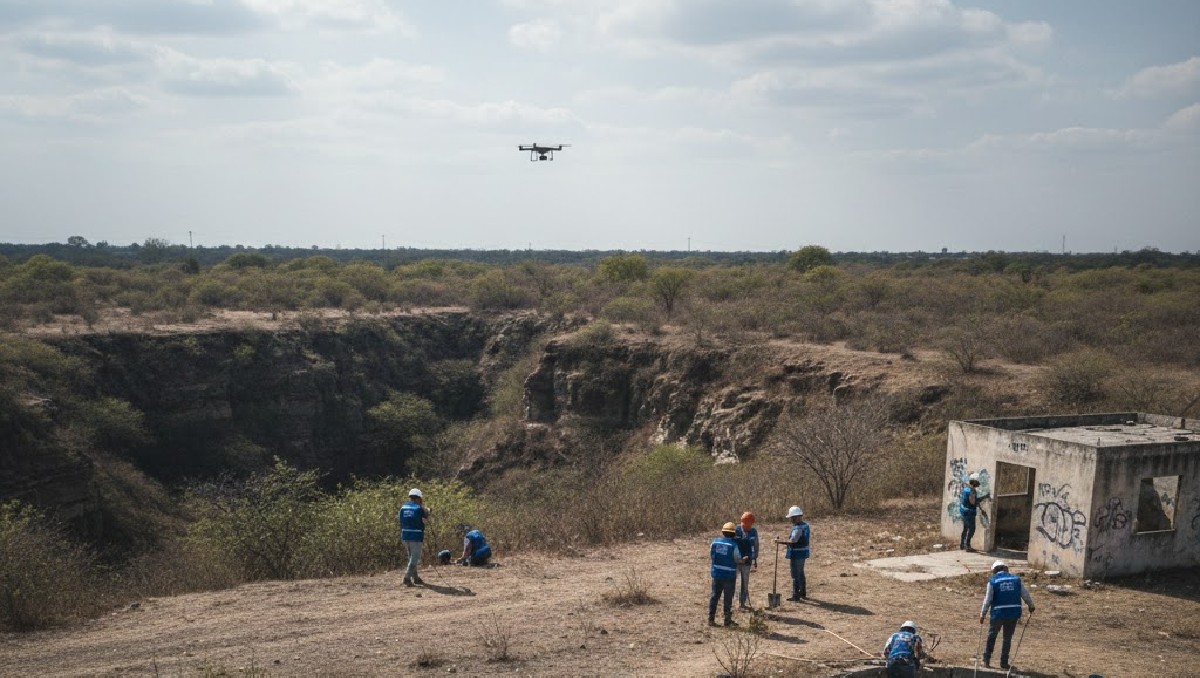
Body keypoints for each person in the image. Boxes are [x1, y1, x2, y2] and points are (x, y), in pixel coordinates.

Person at [979, 560, 1035, 670]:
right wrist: (1031, 605)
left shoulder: (993, 581)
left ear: (995, 570)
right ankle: (1004, 663)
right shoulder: (1016, 580)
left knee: (992, 635)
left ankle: (986, 660)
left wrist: (983, 613)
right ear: (1005, 568)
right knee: (1007, 638)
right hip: (1013, 613)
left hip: (998, 613)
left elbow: (988, 599)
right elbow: (1025, 594)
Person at [708, 521, 742, 627]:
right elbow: (737, 559)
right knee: (728, 598)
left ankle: (711, 619)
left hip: (717, 574)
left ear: (723, 532)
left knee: (714, 596)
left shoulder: (714, 542)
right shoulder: (733, 545)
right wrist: (743, 560)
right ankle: (727, 620)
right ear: (733, 534)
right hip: (729, 576)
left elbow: (712, 555)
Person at [775, 505, 810, 601]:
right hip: (802, 553)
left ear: (796, 517)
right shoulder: (805, 526)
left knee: (795, 574)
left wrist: (779, 542)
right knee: (800, 572)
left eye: (792, 518)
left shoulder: (798, 528)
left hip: (797, 553)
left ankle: (796, 595)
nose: (791, 520)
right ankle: (802, 592)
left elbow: (793, 541)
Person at [397, 488, 430, 587]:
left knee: (411, 557)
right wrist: (428, 510)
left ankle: (416, 578)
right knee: (415, 558)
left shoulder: (403, 507)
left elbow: (399, 519)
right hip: (416, 535)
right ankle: (407, 578)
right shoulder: (418, 508)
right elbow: (425, 516)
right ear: (418, 498)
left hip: (405, 535)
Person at [733, 511, 758, 610]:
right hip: (736, 561)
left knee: (745, 583)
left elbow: (756, 544)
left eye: (748, 525)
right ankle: (732, 601)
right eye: (744, 524)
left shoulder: (753, 532)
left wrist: (754, 556)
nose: (746, 527)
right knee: (732, 581)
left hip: (747, 561)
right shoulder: (736, 530)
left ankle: (743, 602)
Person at [960, 474, 981, 551]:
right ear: (974, 482)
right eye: (977, 482)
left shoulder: (965, 489)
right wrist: (980, 500)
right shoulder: (972, 491)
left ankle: (962, 544)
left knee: (965, 528)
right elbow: (972, 502)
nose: (978, 484)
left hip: (963, 511)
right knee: (971, 528)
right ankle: (967, 546)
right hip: (969, 512)